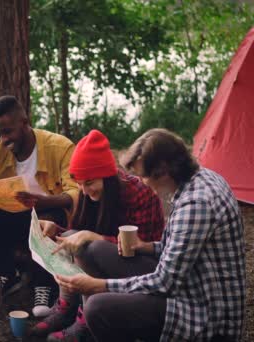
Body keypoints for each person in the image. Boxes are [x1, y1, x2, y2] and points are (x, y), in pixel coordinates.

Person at [52, 128, 246, 341]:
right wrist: (146, 246)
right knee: (93, 250)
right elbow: (177, 250)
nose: (141, 181)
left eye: (143, 175)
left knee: (97, 307)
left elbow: (165, 283)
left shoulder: (196, 204)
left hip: (204, 313)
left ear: (163, 171)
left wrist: (100, 285)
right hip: (191, 283)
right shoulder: (201, 178)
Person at [30, 129, 165, 340]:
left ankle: (85, 323)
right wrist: (57, 231)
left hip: (146, 268)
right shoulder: (87, 194)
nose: (84, 190)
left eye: (90, 182)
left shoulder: (139, 194)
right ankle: (67, 309)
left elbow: (143, 247)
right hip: (108, 259)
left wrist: (98, 238)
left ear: (108, 176)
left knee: (89, 245)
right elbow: (80, 233)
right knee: (73, 238)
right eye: (80, 184)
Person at [0, 95, 79, 317]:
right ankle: (5, 274)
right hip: (13, 217)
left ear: (25, 121)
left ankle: (45, 285)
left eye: (8, 131)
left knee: (51, 216)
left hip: (48, 216)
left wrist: (44, 201)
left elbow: (75, 191)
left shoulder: (59, 146)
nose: (3, 139)